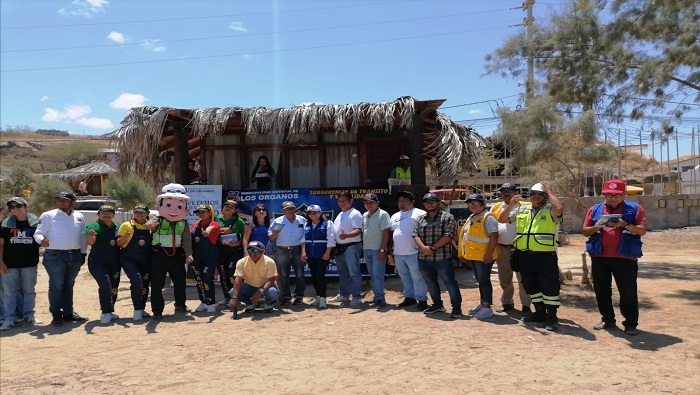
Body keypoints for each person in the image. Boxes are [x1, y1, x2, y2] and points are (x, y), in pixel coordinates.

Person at [582, 179, 647, 336]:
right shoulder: (595, 209)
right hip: (599, 257)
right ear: (604, 194)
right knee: (602, 290)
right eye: (609, 195)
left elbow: (642, 230)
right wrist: (599, 225)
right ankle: (607, 319)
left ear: (623, 195)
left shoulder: (635, 208)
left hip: (625, 258)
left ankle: (630, 324)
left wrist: (624, 225)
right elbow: (585, 231)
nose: (613, 198)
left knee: (628, 291)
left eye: (617, 195)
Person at [498, 182, 564, 331]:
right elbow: (501, 220)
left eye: (540, 194)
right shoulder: (522, 210)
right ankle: (540, 313)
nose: (535, 196)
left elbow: (559, 208)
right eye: (533, 193)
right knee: (531, 286)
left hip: (545, 257)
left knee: (549, 288)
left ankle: (552, 317)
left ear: (545, 196)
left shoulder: (550, 210)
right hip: (524, 256)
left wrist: (549, 190)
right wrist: (511, 206)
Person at [33, 191, 88, 327]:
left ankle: (68, 313)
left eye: (64, 200)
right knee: (56, 285)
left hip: (74, 255)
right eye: (59, 199)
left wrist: (83, 253)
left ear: (72, 202)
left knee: (69, 285)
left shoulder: (79, 216)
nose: (60, 202)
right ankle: (56, 314)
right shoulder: (48, 215)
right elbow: (38, 233)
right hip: (55, 255)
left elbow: (82, 236)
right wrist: (41, 241)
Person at [413, 193, 462, 318]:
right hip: (424, 257)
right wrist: (424, 248)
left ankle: (456, 308)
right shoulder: (420, 218)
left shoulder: (448, 217)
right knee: (430, 282)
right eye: (426, 202)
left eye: (432, 201)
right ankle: (437, 305)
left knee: (450, 282)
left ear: (439, 203)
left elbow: (448, 235)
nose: (429, 204)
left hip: (442, 257)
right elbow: (415, 235)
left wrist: (432, 248)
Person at [148, 183, 194, 319]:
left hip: (177, 255)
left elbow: (186, 240)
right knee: (157, 283)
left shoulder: (183, 223)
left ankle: (180, 304)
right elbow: (149, 225)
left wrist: (189, 254)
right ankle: (157, 310)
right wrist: (149, 225)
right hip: (158, 255)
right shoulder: (156, 219)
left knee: (180, 281)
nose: (174, 209)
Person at [490, 182, 532, 315]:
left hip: (521, 248)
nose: (506, 194)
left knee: (523, 278)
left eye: (509, 191)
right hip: (502, 248)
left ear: (516, 192)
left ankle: (526, 306)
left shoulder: (526, 206)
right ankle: (507, 302)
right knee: (505, 277)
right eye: (503, 192)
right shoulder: (495, 207)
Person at [0, 197, 41, 331]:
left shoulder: (35, 223)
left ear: (26, 207)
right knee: (9, 292)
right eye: (12, 207)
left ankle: (29, 315)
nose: (15, 209)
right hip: (9, 264)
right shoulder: (5, 225)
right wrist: (0, 262)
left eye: (18, 205)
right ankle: (10, 318)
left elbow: (42, 239)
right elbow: (1, 245)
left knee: (29, 291)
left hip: (29, 263)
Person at [460, 194, 499, 320]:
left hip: (484, 256)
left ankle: (487, 307)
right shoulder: (473, 217)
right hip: (474, 255)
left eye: (475, 203)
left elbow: (494, 236)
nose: (472, 205)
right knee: (480, 281)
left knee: (484, 280)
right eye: (470, 203)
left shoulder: (488, 217)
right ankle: (483, 304)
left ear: (482, 204)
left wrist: (488, 254)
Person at [390, 191, 429, 311]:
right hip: (398, 253)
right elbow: (392, 233)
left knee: (417, 277)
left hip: (414, 252)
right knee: (404, 277)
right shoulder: (395, 216)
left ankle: (422, 300)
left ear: (412, 202)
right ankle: (409, 297)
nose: (401, 202)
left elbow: (426, 231)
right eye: (399, 200)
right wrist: (391, 250)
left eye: (405, 200)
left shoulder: (420, 213)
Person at [116, 204, 153, 322]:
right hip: (129, 259)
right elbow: (119, 243)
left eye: (142, 212)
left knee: (146, 284)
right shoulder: (127, 225)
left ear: (147, 214)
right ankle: (137, 310)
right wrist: (125, 237)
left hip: (146, 260)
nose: (139, 215)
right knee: (137, 282)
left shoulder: (151, 226)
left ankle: (142, 308)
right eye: (137, 212)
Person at [86, 205, 121, 324]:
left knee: (114, 286)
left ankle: (110, 311)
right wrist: (91, 236)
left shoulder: (117, 227)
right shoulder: (94, 226)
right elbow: (90, 242)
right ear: (99, 214)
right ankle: (105, 312)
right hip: (97, 262)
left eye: (110, 212)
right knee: (105, 285)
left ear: (113, 215)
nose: (107, 214)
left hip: (114, 262)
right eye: (104, 212)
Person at [329, 192, 364, 306]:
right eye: (339, 201)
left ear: (351, 201)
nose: (341, 203)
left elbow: (358, 230)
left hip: (351, 246)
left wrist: (346, 235)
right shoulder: (340, 214)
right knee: (343, 273)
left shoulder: (355, 214)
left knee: (354, 273)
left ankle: (357, 296)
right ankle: (344, 295)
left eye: (344, 200)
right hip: (340, 248)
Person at [268, 201, 306, 305]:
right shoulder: (277, 221)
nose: (290, 210)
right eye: (287, 208)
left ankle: (299, 296)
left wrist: (303, 251)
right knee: (284, 275)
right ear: (282, 211)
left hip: (297, 249)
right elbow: (270, 237)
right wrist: (275, 234)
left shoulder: (302, 220)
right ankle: (286, 296)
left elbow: (305, 236)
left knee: (300, 274)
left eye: (292, 208)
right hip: (282, 250)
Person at [229, 240, 279, 314]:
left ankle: (268, 305)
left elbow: (271, 280)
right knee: (232, 292)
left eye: (255, 250)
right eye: (249, 250)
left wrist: (260, 291)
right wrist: (234, 298)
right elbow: (238, 281)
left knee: (273, 292)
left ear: (262, 251)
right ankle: (250, 304)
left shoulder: (269, 261)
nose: (252, 252)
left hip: (265, 286)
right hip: (249, 286)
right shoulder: (241, 262)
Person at [361, 193, 391, 308]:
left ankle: (380, 298)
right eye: (366, 203)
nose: (369, 205)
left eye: (371, 202)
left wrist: (382, 250)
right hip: (367, 249)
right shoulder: (364, 215)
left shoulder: (383, 214)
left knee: (378, 274)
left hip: (378, 250)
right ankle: (377, 296)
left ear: (377, 203)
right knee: (373, 274)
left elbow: (386, 233)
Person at [303, 205, 336, 309]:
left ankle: (322, 298)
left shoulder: (328, 223)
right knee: (314, 276)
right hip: (310, 255)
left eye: (315, 212)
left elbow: (331, 240)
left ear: (320, 213)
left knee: (320, 276)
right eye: (310, 213)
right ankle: (318, 296)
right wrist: (304, 252)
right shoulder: (306, 224)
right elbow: (303, 240)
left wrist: (327, 253)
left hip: (322, 255)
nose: (313, 215)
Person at [190, 204, 221, 313]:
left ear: (209, 213)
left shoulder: (214, 224)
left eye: (204, 212)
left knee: (207, 279)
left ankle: (211, 303)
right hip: (196, 258)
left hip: (209, 257)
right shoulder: (194, 225)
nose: (201, 214)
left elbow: (211, 229)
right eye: (199, 212)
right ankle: (203, 302)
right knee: (199, 281)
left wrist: (206, 232)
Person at [216, 199, 245, 307]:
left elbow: (244, 235)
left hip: (234, 251)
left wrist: (238, 243)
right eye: (226, 206)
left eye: (231, 207)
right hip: (220, 250)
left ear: (235, 210)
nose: (228, 208)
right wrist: (222, 230)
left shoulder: (239, 221)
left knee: (233, 274)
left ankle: (235, 297)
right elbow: (210, 231)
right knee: (223, 274)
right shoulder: (216, 219)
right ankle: (226, 297)